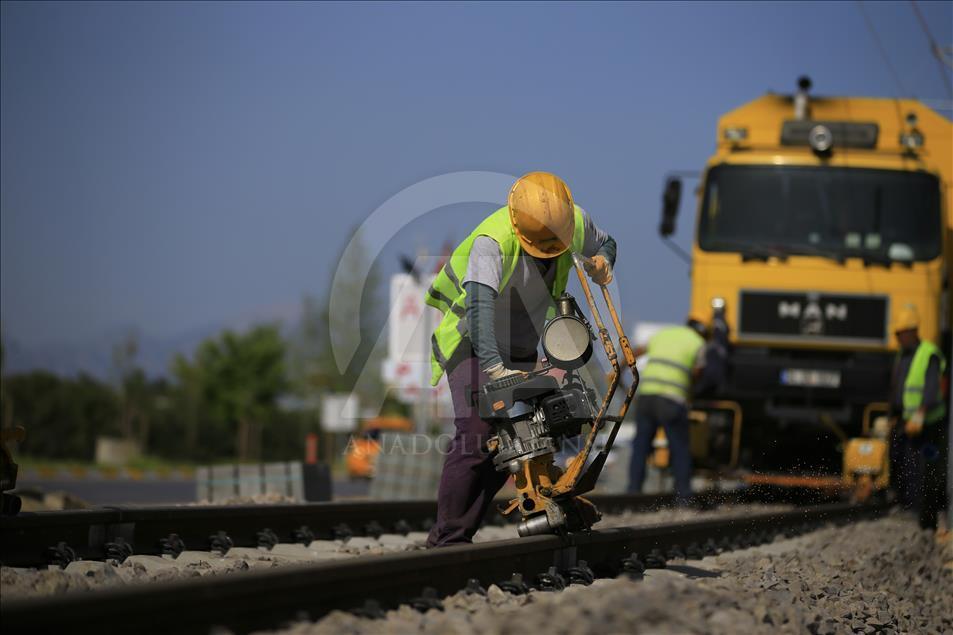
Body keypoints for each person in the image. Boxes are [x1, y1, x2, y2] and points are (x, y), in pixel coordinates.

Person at [424, 172, 617, 547]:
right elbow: (479, 314)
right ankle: (447, 539)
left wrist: (602, 260)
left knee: (518, 438)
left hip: (522, 340)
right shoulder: (492, 242)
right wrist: (496, 370)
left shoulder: (575, 221)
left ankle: (462, 530)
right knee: (478, 435)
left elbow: (607, 243)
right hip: (472, 342)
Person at [627, 318, 707, 504]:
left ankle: (632, 494)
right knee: (679, 449)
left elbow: (635, 353)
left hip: (647, 397)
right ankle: (683, 497)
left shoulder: (663, 334)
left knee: (640, 447)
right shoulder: (699, 343)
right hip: (672, 401)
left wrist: (621, 370)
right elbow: (698, 373)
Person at [888, 304, 948, 530]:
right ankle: (912, 513)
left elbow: (933, 389)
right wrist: (894, 415)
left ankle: (926, 521)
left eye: (900, 333)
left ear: (912, 331)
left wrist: (921, 413)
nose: (898, 338)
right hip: (909, 424)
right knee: (908, 468)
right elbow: (898, 389)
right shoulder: (903, 355)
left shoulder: (928, 354)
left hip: (930, 425)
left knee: (927, 472)